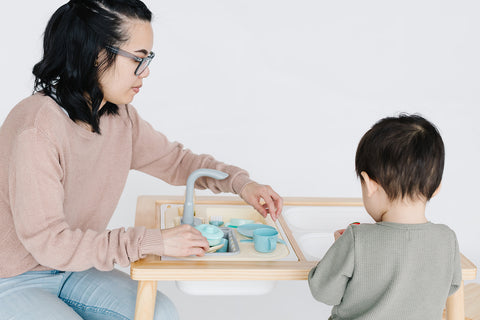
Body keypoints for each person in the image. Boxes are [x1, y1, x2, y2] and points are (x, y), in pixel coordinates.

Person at [0, 0, 283, 319]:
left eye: (148, 59)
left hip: (74, 267)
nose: (145, 71)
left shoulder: (119, 118)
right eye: (137, 58)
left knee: (159, 312)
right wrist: (153, 241)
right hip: (12, 277)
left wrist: (241, 184)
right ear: (95, 54)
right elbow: (50, 243)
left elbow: (178, 162)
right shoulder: (37, 127)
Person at [308, 114, 462, 319]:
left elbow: (324, 292)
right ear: (436, 188)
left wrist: (340, 249)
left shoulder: (357, 238)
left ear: (370, 185)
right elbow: (448, 287)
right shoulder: (447, 239)